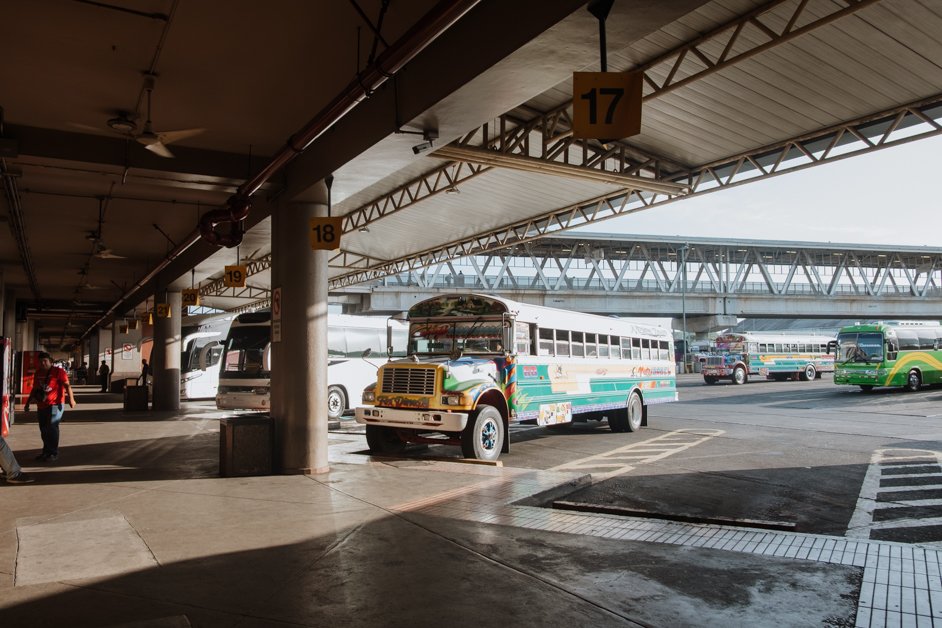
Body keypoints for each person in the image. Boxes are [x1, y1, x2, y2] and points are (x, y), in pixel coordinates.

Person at [24, 352, 76, 463]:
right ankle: (46, 451)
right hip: (42, 405)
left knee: (52, 427)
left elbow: (67, 385)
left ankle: (53, 453)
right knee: (43, 429)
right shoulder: (38, 373)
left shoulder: (59, 372)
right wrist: (27, 403)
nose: (43, 363)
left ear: (50, 361)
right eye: (41, 361)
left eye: (45, 361)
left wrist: (71, 399)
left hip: (56, 404)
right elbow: (34, 389)